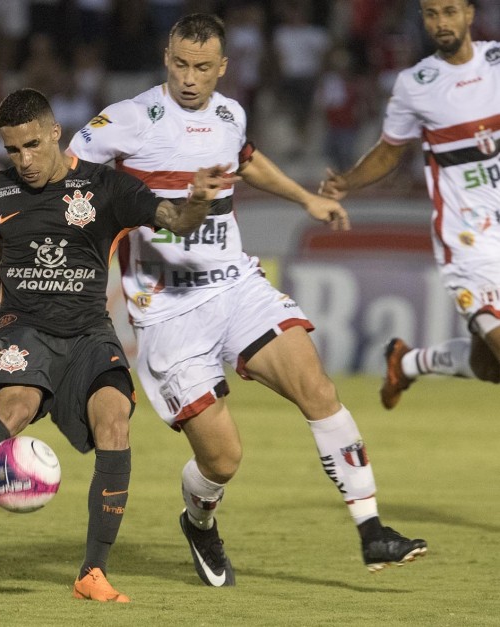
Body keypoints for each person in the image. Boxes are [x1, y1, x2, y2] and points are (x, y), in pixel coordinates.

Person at [66, 13, 427, 587]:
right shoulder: (130, 119)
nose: (190, 78)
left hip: (235, 286)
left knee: (317, 387)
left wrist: (306, 200)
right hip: (169, 312)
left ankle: (372, 530)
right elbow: (69, 172)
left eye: (203, 68)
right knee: (223, 460)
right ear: (167, 57)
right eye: (181, 64)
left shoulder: (230, 114)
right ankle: (198, 520)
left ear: (223, 68)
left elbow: (247, 159)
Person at [0, 88, 231, 602]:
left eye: (33, 145)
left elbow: (177, 221)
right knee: (15, 408)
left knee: (115, 420)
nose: (24, 161)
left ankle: (92, 573)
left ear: (56, 133)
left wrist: (198, 200)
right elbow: (3, 265)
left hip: (88, 332)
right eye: (13, 149)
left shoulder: (106, 188)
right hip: (25, 327)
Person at [320, 0, 500, 408]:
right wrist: (346, 183)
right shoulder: (417, 83)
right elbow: (389, 151)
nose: (441, 22)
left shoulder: (496, 62)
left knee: (490, 368)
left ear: (470, 14)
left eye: (450, 11)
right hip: (469, 242)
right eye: (432, 13)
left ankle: (409, 362)